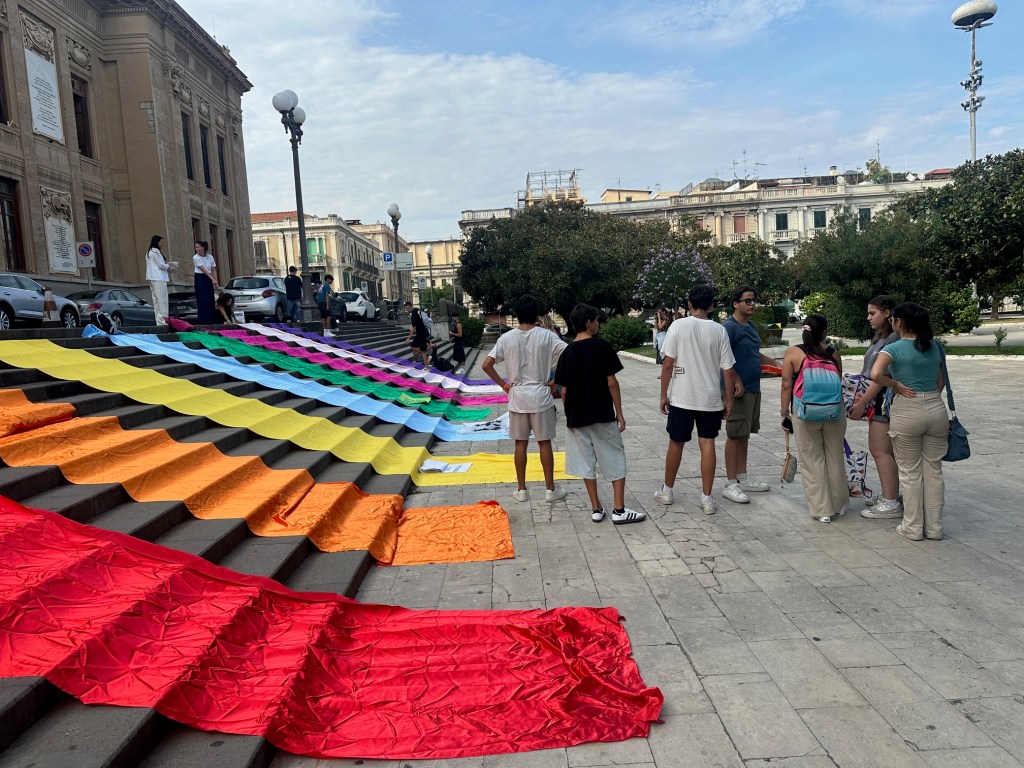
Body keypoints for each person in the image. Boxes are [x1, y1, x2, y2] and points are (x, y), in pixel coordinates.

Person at [554, 303, 644, 525]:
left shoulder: (567, 353)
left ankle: (596, 507)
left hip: (577, 416)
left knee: (585, 460)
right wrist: (619, 412)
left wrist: (570, 413)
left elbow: (563, 390)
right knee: (614, 456)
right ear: (588, 322)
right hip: (602, 412)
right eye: (596, 320)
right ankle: (619, 509)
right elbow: (612, 382)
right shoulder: (602, 347)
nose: (597, 324)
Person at [655, 284, 737, 516]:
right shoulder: (719, 330)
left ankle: (667, 490)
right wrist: (728, 401)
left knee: (676, 442)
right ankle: (707, 497)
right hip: (710, 398)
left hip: (683, 397)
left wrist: (664, 394)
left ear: (689, 304)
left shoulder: (678, 326)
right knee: (707, 443)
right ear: (711, 305)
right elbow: (728, 370)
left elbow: (668, 363)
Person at [869, 302, 947, 541]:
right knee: (933, 470)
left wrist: (896, 385)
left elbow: (875, 375)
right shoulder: (935, 347)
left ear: (899, 322)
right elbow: (940, 382)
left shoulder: (893, 349)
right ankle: (934, 528)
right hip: (935, 407)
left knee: (910, 472)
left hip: (907, 409)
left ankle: (912, 527)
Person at [482, 294, 568, 503]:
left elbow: (486, 365)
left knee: (520, 444)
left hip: (518, 395)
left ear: (517, 315)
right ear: (536, 313)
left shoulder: (506, 338)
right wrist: (556, 381)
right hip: (540, 395)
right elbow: (568, 354)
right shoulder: (547, 336)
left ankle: (521, 489)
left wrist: (503, 384)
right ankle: (550, 489)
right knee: (544, 443)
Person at [780, 313, 848, 524]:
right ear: (825, 332)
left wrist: (784, 413)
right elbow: (838, 382)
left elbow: (785, 385)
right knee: (835, 456)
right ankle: (839, 505)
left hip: (805, 412)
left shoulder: (793, 353)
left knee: (812, 460)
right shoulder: (833, 353)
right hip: (834, 413)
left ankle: (822, 510)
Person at [722, 286, 778, 504]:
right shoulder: (728, 328)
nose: (752, 304)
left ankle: (743, 476)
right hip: (737, 391)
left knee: (744, 434)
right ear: (735, 303)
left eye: (753, 300)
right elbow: (722, 358)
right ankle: (730, 483)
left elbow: (754, 352)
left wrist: (773, 363)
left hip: (753, 388)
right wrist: (735, 380)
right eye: (747, 301)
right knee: (734, 435)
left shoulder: (751, 325)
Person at [851, 295, 903, 519]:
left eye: (873, 313)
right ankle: (891, 494)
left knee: (880, 450)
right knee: (887, 452)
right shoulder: (882, 338)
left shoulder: (892, 340)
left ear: (888, 313)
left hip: (882, 401)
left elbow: (880, 377)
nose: (868, 318)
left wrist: (862, 402)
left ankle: (891, 502)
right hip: (878, 400)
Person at [145, 235, 175, 325]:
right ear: (156, 242)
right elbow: (161, 265)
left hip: (152, 278)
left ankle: (159, 320)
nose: (162, 244)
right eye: (161, 242)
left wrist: (167, 264)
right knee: (162, 299)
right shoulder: (156, 251)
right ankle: (163, 320)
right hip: (158, 278)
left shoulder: (149, 252)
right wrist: (170, 266)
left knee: (157, 300)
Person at [192, 240, 218, 324]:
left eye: (198, 247)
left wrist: (216, 280)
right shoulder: (195, 257)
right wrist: (212, 279)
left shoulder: (210, 257)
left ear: (203, 248)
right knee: (203, 299)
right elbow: (203, 270)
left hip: (209, 278)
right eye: (195, 247)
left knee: (211, 298)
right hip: (200, 278)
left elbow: (213, 269)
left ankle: (212, 320)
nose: (196, 249)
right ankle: (203, 320)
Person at [404, 300, 430, 368]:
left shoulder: (414, 314)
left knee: (422, 350)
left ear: (411, 306)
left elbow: (414, 328)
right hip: (421, 333)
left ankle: (426, 366)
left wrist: (409, 337)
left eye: (408, 308)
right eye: (406, 309)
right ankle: (426, 358)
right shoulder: (417, 310)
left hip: (421, 333)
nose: (407, 310)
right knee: (413, 345)